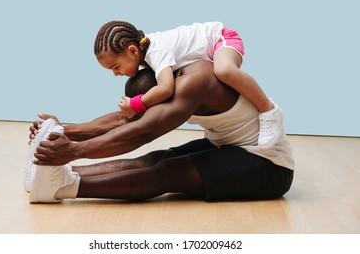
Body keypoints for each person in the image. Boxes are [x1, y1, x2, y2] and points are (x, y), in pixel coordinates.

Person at [26, 60, 294, 203]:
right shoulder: (165, 81)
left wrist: (73, 151)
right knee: (155, 158)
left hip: (268, 166)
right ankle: (56, 176)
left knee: (167, 172)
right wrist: (65, 130)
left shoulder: (194, 82)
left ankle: (63, 188)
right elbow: (125, 119)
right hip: (229, 144)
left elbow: (141, 131)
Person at [94, 20, 283, 149]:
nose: (116, 74)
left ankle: (268, 109)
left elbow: (166, 88)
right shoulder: (146, 53)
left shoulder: (155, 53)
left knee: (224, 71)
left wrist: (136, 104)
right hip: (211, 47)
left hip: (221, 38)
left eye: (116, 67)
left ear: (133, 51)